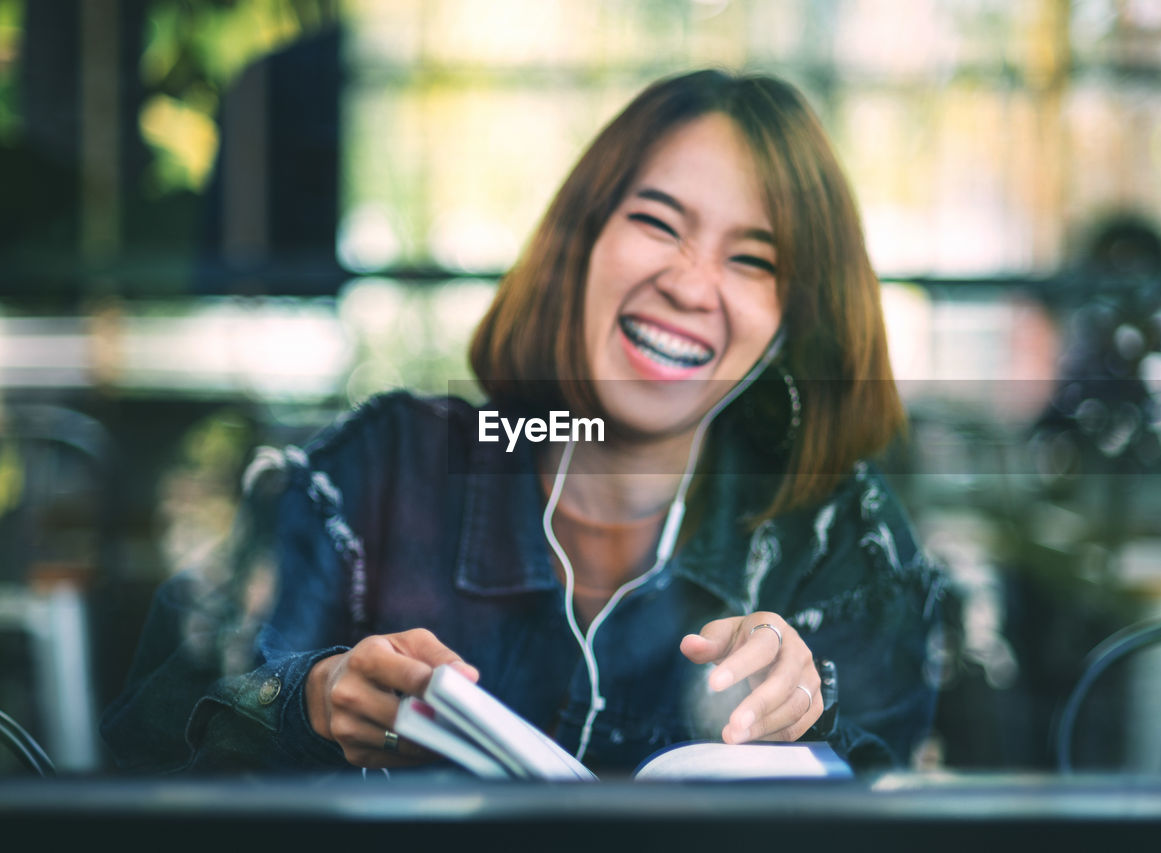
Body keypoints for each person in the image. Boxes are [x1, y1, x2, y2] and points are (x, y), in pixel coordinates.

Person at [101, 69, 945, 776]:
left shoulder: (835, 534)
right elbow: (152, 731)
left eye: (753, 259)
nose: (692, 285)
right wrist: (311, 698)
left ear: (791, 321)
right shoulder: (390, 468)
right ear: (579, 245)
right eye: (656, 222)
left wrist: (815, 707)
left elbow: (902, 794)